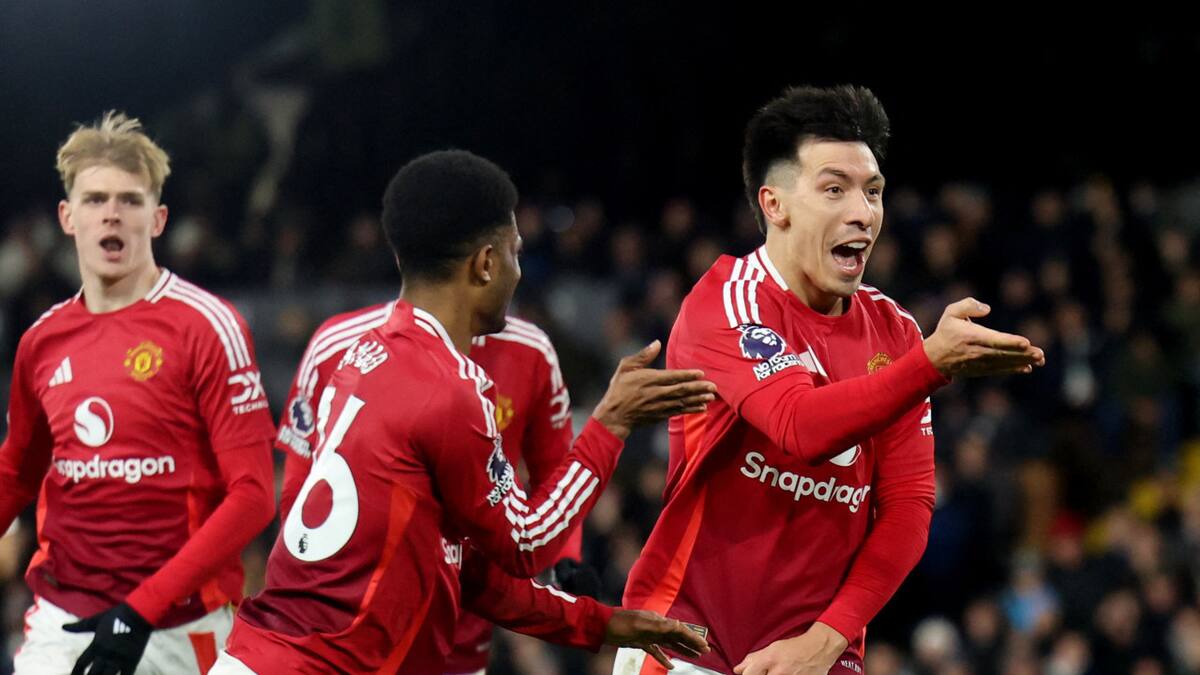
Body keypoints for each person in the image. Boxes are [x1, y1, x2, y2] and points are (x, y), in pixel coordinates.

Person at [215, 150, 715, 673]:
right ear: (485, 263)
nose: (519, 273)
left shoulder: (365, 353)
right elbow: (527, 542)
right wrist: (612, 423)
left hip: (272, 654)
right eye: (515, 253)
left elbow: (462, 564)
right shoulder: (449, 387)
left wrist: (600, 622)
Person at [615, 85, 1046, 675]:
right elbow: (800, 427)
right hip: (688, 645)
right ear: (775, 204)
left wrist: (825, 640)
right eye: (834, 189)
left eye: (873, 192)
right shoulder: (729, 301)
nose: (862, 213)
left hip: (818, 656)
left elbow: (908, 508)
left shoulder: (893, 332)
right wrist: (930, 366)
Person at [0, 111, 277, 674]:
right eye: (96, 198)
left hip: (180, 624)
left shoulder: (207, 326)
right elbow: (17, 472)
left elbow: (253, 496)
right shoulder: (41, 341)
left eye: (130, 200)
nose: (112, 213)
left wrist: (141, 610)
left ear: (158, 219)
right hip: (63, 616)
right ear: (67, 217)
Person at [275, 304, 591, 675]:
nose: (517, 264)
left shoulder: (533, 352)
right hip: (352, 629)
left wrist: (568, 559)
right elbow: (299, 491)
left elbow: (552, 469)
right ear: (483, 261)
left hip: (466, 624)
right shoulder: (336, 344)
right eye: (510, 248)